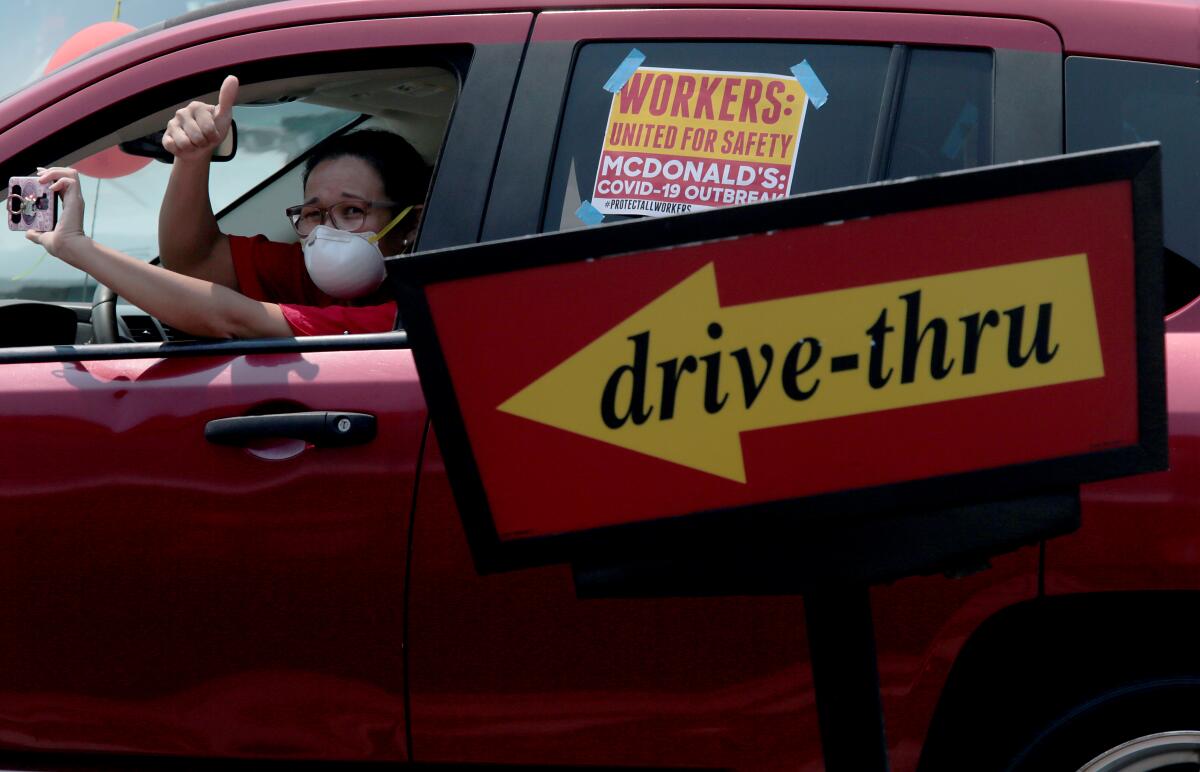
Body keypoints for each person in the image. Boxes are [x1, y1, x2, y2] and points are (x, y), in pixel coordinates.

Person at [26, 75, 431, 339]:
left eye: (352, 212)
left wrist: (76, 247)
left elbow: (232, 317)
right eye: (312, 214)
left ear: (412, 222)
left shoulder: (410, 313)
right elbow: (194, 260)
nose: (326, 233)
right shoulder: (309, 273)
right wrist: (193, 157)